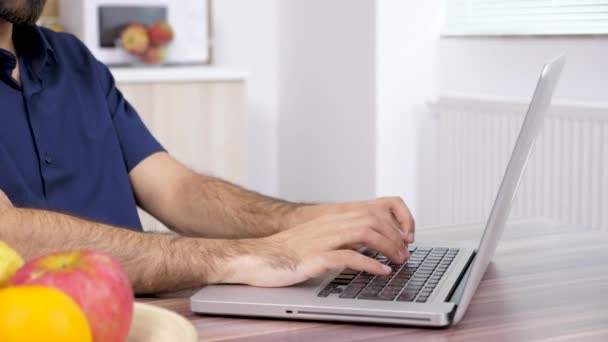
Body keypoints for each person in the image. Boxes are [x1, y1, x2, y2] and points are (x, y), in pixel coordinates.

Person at [0, 0, 414, 294]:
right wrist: (250, 256)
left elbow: (177, 189)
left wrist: (311, 220)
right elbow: (8, 233)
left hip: (150, 318)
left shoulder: (73, 59)